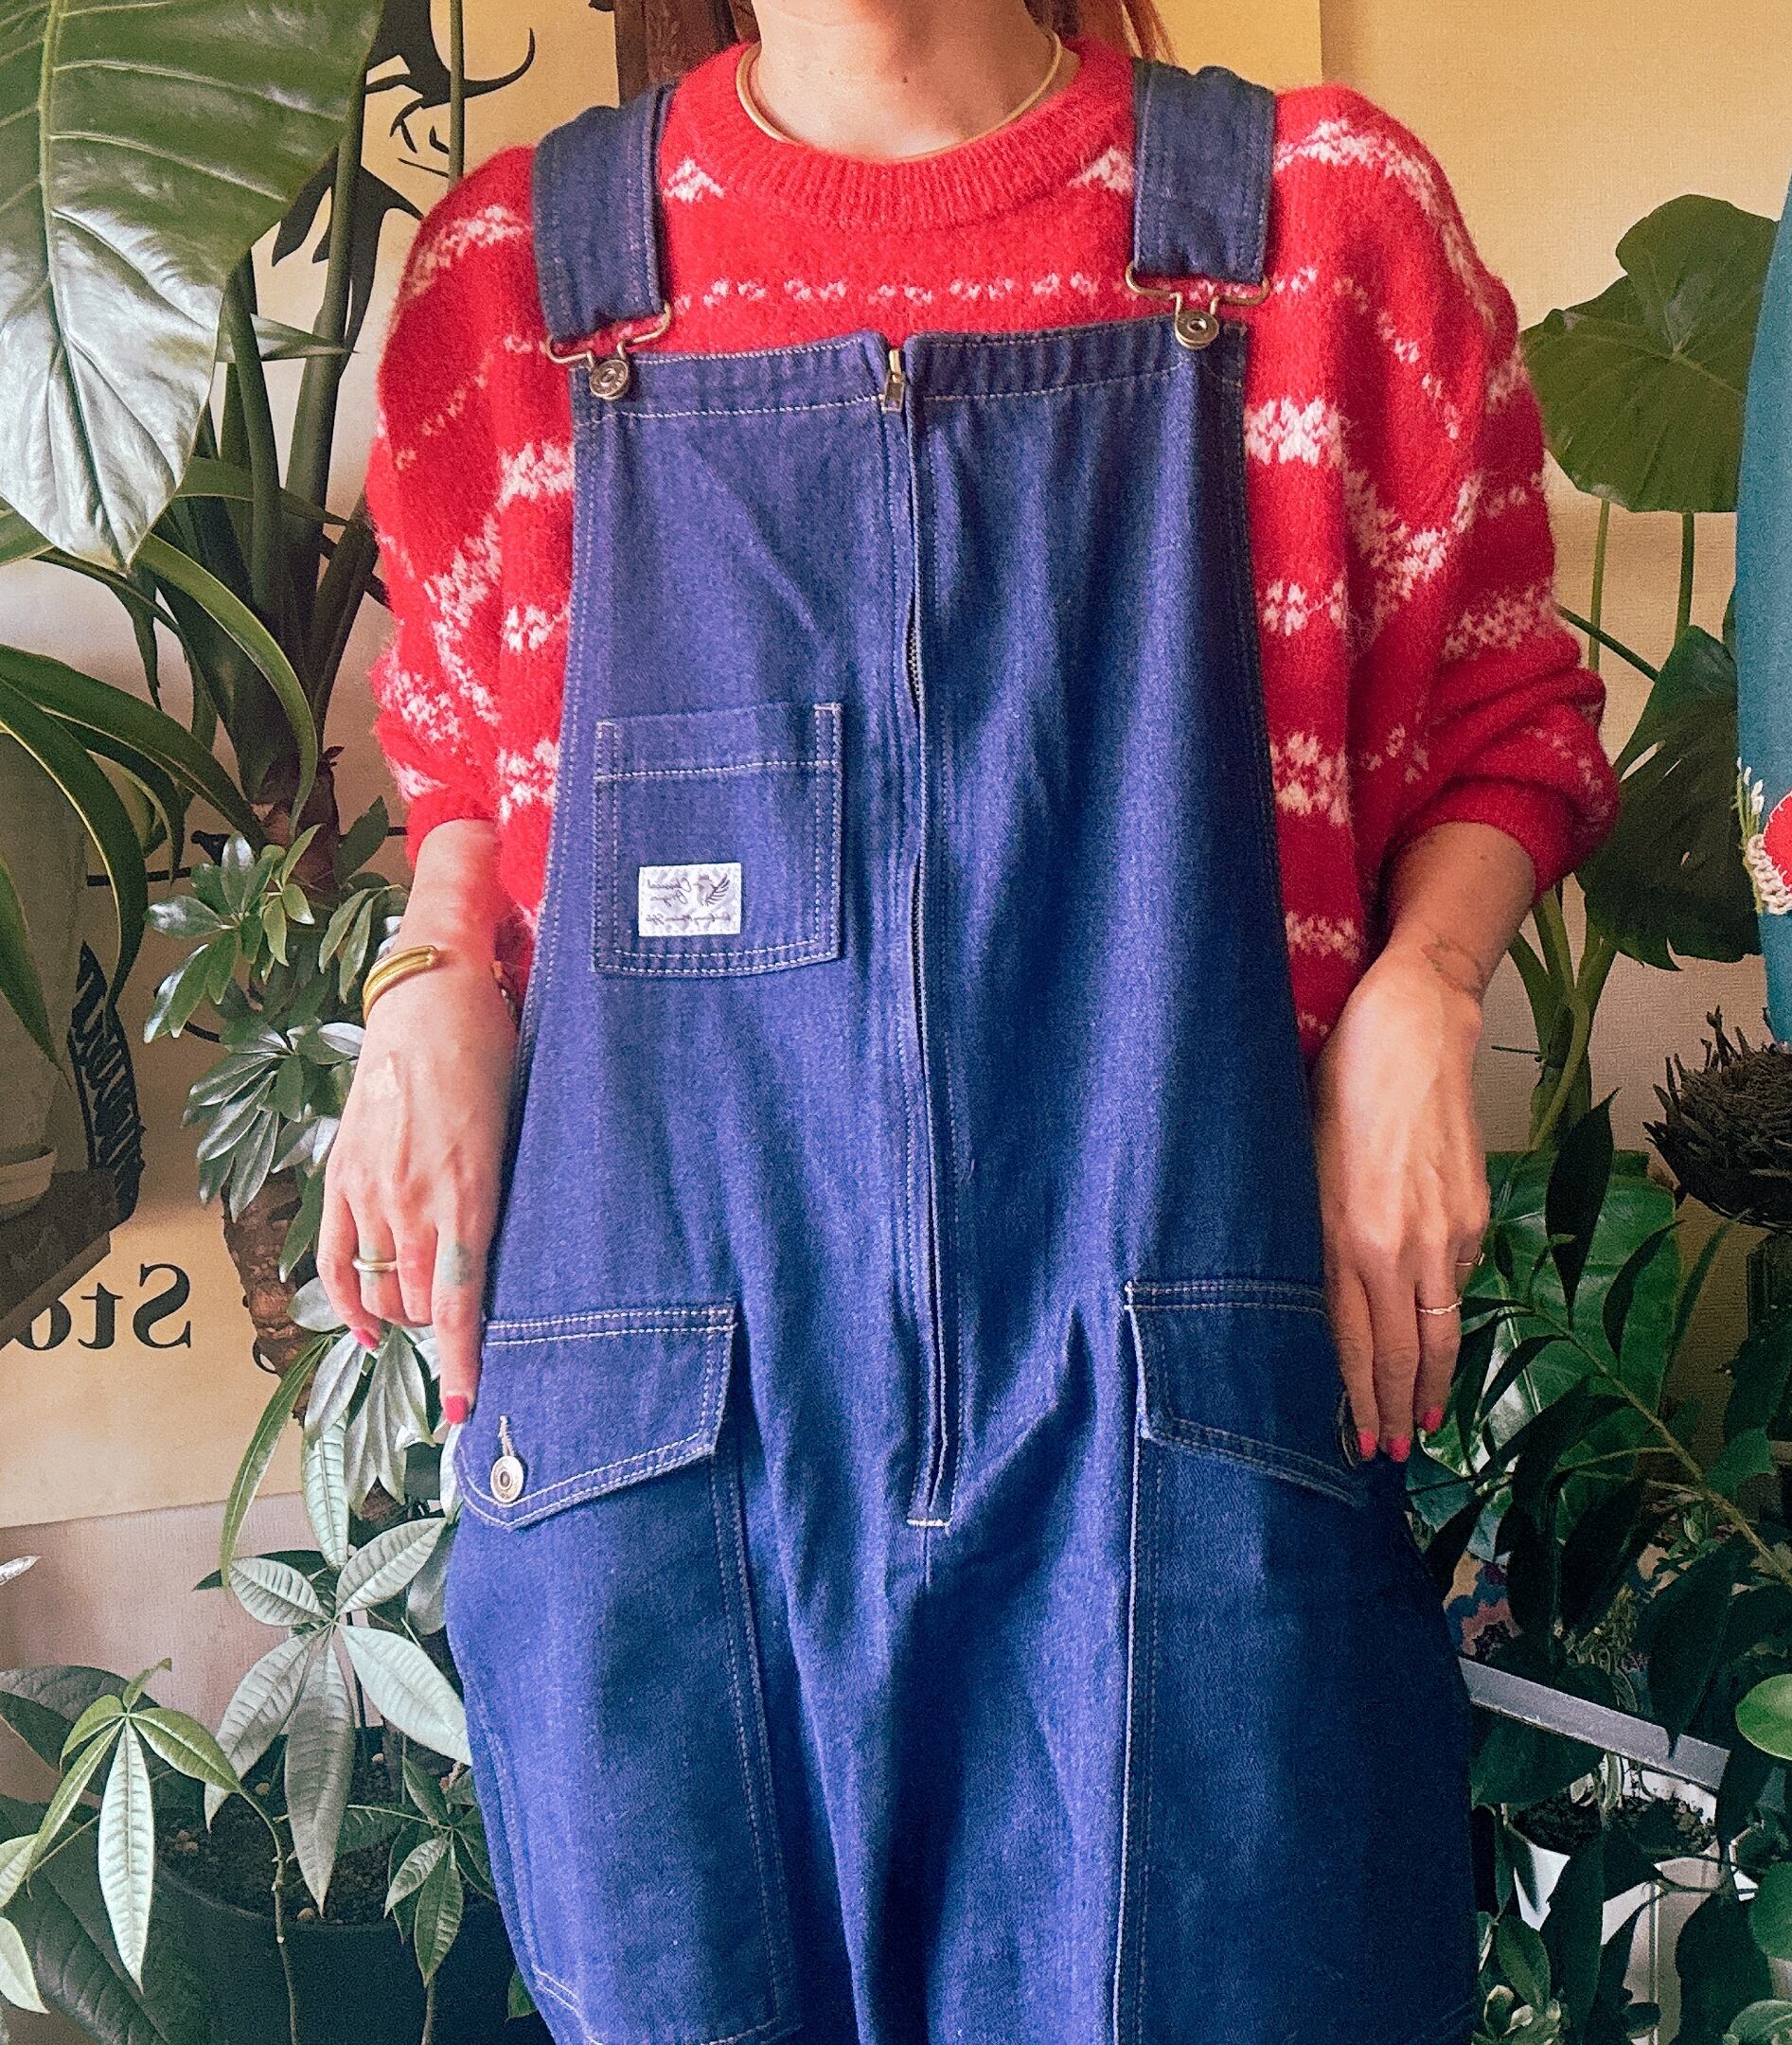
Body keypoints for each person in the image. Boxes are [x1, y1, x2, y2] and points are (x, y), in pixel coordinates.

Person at [328, 5, 1618, 2040]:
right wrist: (432, 978)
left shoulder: (1320, 232)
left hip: (1175, 1432)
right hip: (674, 1468)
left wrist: (1426, 981)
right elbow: (470, 773)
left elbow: (1506, 714)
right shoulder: (512, 287)